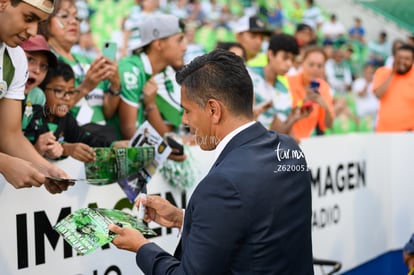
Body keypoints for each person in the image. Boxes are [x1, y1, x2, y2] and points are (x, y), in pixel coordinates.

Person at [109, 49, 314, 274]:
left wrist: (142, 247)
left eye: (187, 111)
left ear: (214, 110)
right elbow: (260, 225)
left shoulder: (222, 184)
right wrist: (182, 218)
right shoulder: (289, 148)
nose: (185, 121)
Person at [0, 0, 71, 193]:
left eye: (39, 22)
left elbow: (11, 135)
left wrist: (46, 168)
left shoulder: (16, 58)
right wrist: (4, 162)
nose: (33, 31)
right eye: (29, 18)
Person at [38, 0, 122, 142]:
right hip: (70, 141)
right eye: (64, 16)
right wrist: (86, 87)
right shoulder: (45, 61)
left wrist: (115, 84)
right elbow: (50, 111)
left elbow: (106, 112)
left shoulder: (89, 60)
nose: (74, 22)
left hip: (101, 138)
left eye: (77, 17)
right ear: (46, 22)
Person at [24, 61, 128, 162]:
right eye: (59, 91)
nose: (67, 98)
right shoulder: (31, 115)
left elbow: (85, 138)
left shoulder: (66, 118)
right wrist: (66, 149)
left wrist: (112, 145)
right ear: (41, 90)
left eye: (71, 92)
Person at [117, 14, 187, 140]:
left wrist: (151, 105)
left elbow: (167, 133)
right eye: (179, 40)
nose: (184, 48)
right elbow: (128, 131)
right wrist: (166, 150)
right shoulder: (130, 69)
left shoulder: (167, 73)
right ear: (159, 44)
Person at [20, 34, 63, 159]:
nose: (37, 70)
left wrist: (51, 148)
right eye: (30, 60)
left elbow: (36, 136)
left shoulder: (37, 97)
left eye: (43, 66)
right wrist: (34, 151)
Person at [288, 46, 335, 140]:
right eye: (311, 64)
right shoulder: (288, 82)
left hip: (307, 142)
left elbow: (327, 125)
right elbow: (282, 117)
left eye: (319, 66)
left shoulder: (323, 87)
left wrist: (325, 107)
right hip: (285, 141)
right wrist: (303, 101)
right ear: (302, 63)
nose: (315, 69)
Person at [372, 44, 414, 132]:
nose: (402, 61)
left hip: (409, 133)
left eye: (407, 59)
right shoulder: (382, 72)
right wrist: (392, 73)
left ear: (412, 60)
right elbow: (378, 94)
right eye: (400, 58)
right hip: (385, 131)